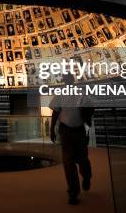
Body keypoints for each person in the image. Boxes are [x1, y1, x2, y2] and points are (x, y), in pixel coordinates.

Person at [50, 74, 93, 205]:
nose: (67, 82)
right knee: (68, 162)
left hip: (78, 130)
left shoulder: (81, 92)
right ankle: (73, 192)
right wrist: (52, 130)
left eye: (68, 79)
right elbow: (55, 112)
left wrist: (87, 117)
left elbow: (90, 108)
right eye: (66, 80)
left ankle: (86, 176)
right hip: (66, 131)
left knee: (82, 159)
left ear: (72, 80)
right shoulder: (60, 94)